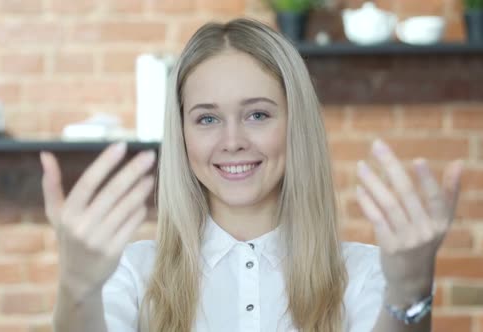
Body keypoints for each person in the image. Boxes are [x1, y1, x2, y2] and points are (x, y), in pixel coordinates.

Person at [40, 18, 463, 332]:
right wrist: (76, 287)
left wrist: (409, 289)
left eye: (257, 114)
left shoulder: (366, 272)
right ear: (181, 132)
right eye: (207, 119)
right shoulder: (131, 273)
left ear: (295, 124)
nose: (232, 140)